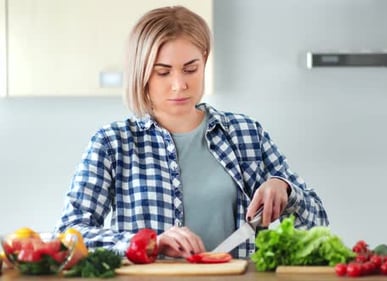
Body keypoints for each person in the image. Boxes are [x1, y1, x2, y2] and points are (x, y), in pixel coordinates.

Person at [55, 5, 329, 259]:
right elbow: (69, 235)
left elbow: (317, 220)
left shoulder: (247, 133)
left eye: (190, 69)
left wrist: (285, 188)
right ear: (142, 73)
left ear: (204, 61)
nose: (179, 85)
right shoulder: (112, 143)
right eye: (163, 72)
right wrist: (148, 242)